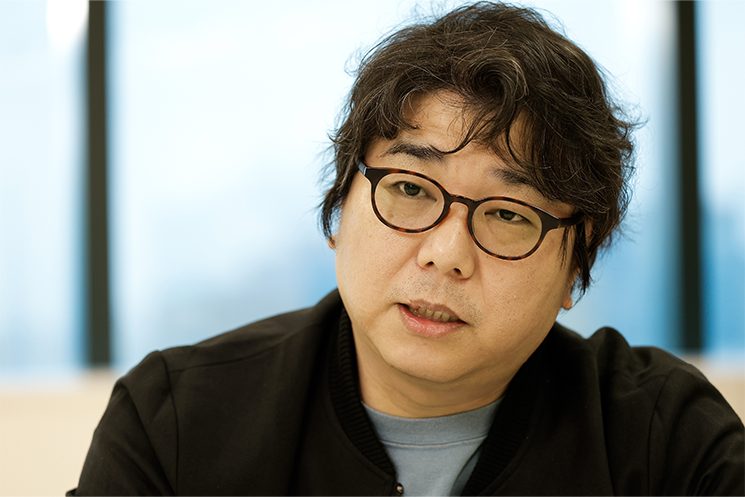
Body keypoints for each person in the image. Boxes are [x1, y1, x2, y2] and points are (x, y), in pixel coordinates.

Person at [70, 2, 744, 495]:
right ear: (339, 206)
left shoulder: (665, 441)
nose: (446, 254)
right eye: (411, 189)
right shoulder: (177, 423)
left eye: (508, 214)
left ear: (577, 262)